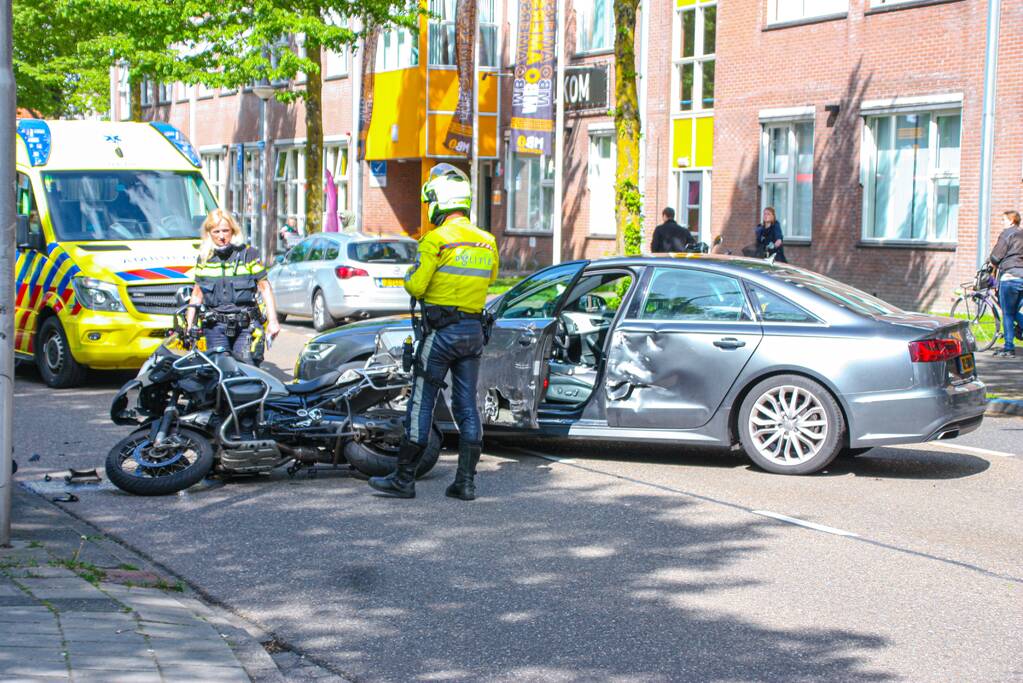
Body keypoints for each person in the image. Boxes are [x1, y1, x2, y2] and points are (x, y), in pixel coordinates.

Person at [368, 164, 499, 501]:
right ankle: (465, 483)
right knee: (467, 405)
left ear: (439, 202)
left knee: (420, 404)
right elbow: (492, 279)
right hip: (473, 333)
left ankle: (403, 479)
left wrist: (418, 274)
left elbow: (416, 284)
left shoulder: (435, 240)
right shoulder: (487, 242)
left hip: (441, 335)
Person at [186, 209, 281, 363]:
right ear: (209, 233)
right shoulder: (204, 258)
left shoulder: (249, 254)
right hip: (215, 327)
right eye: (216, 231)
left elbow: (265, 288)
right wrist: (189, 325)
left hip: (246, 327)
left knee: (247, 370)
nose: (222, 236)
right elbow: (197, 293)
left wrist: (273, 321)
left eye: (225, 230)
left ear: (233, 231)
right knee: (219, 371)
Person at [988, 210, 1023, 358]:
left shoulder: (1007, 233)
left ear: (1011, 221)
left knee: (1008, 313)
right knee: (1014, 311)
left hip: (1010, 277)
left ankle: (1009, 347)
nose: (1003, 223)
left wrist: (991, 261)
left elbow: (996, 257)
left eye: (1004, 220)